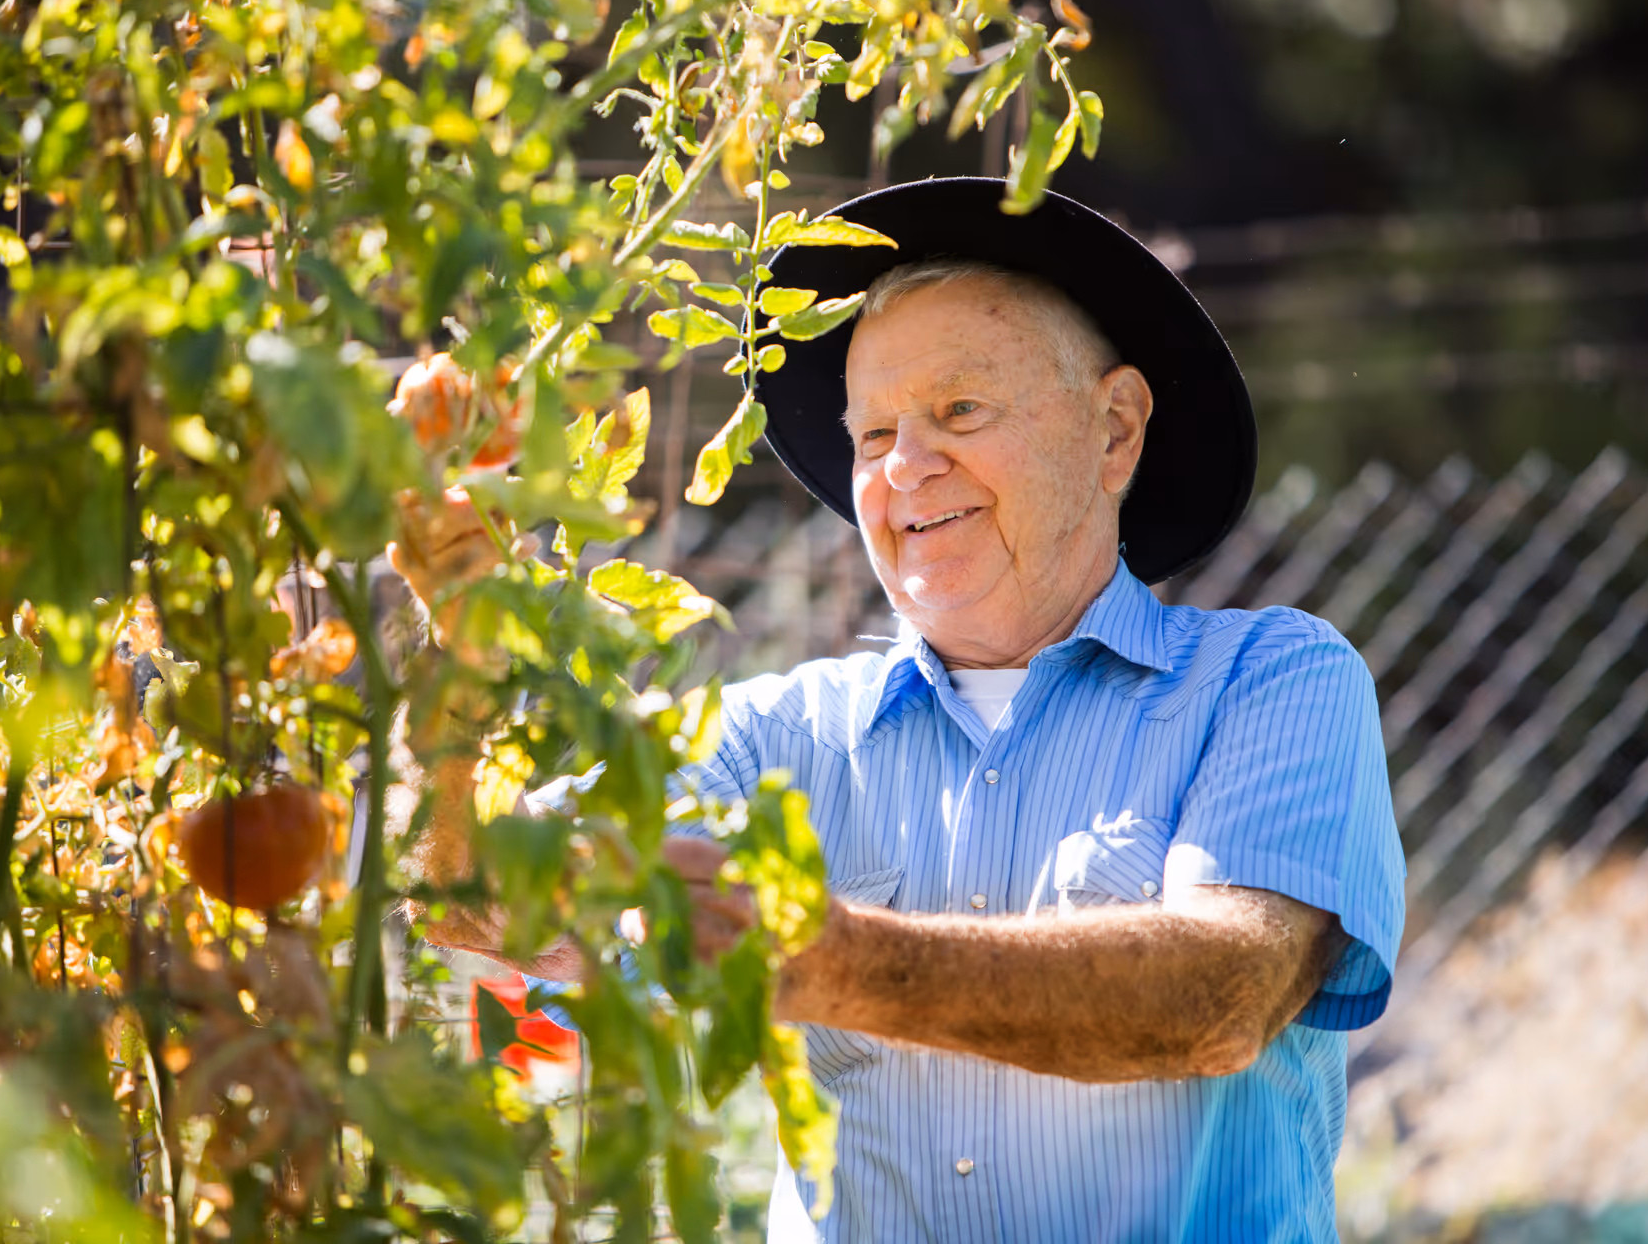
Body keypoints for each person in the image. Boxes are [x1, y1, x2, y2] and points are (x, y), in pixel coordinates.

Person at [397, 177, 1406, 1243]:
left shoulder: (1272, 681)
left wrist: (829, 959)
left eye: (960, 411)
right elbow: (469, 898)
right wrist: (458, 649)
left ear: (1114, 431)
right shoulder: (771, 736)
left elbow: (1219, 993)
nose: (905, 469)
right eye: (873, 432)